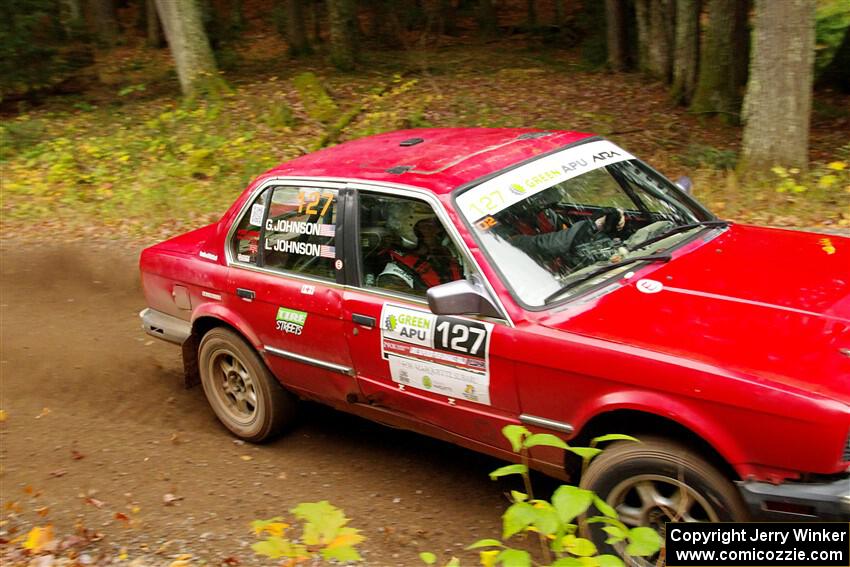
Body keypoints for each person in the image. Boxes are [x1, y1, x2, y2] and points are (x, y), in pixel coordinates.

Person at [376, 202, 463, 293]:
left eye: (437, 225)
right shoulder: (394, 278)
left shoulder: (442, 257)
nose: (438, 230)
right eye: (428, 226)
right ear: (408, 231)